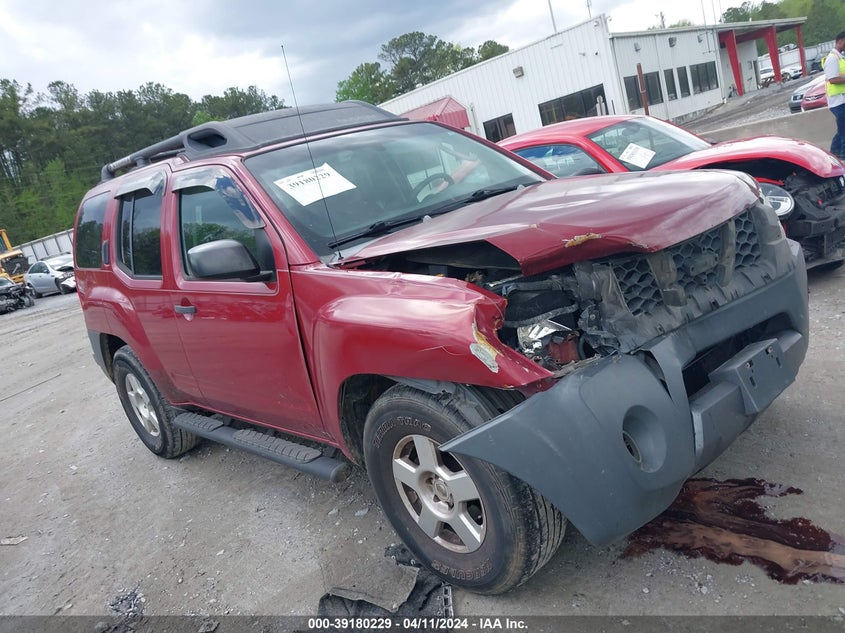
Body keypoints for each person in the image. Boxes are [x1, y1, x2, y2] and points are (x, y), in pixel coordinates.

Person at [824, 31, 845, 158]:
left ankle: (833, 154)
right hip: (837, 102)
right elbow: (832, 79)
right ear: (840, 41)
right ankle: (842, 157)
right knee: (844, 131)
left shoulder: (840, 58)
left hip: (842, 100)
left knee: (841, 130)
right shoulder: (832, 59)